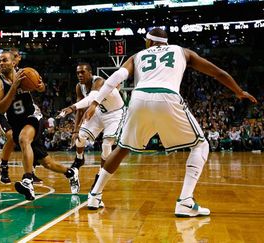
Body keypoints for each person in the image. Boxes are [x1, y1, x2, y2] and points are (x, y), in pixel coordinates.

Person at [84, 28, 257, 216]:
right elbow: (217, 73)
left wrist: (95, 102)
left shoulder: (138, 55)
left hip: (139, 98)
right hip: (167, 97)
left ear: (149, 42)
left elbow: (116, 78)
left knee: (121, 148)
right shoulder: (183, 51)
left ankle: (94, 195)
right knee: (201, 145)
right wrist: (238, 91)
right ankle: (185, 201)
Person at [0, 51, 79, 200]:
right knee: (47, 163)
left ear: (13, 63)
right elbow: (1, 109)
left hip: (33, 116)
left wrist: (40, 87)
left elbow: (41, 87)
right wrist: (14, 87)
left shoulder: (26, 73)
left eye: (4, 60)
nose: (1, 63)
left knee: (23, 139)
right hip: (16, 121)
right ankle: (71, 173)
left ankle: (27, 180)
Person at [59, 63, 127, 193]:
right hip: (98, 111)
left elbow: (91, 99)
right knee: (81, 137)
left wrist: (71, 107)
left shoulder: (99, 81)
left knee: (106, 145)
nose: (79, 75)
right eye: (78, 72)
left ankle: (100, 174)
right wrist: (75, 129)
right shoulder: (79, 86)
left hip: (115, 114)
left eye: (83, 72)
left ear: (90, 73)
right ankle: (79, 159)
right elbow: (80, 110)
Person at [0, 48, 42, 185]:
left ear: (17, 59)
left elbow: (35, 88)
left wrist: (39, 86)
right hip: (1, 109)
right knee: (12, 137)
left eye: (15, 56)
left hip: (18, 109)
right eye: (2, 59)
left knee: (27, 137)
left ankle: (30, 172)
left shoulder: (24, 72)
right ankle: (4, 166)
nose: (13, 59)